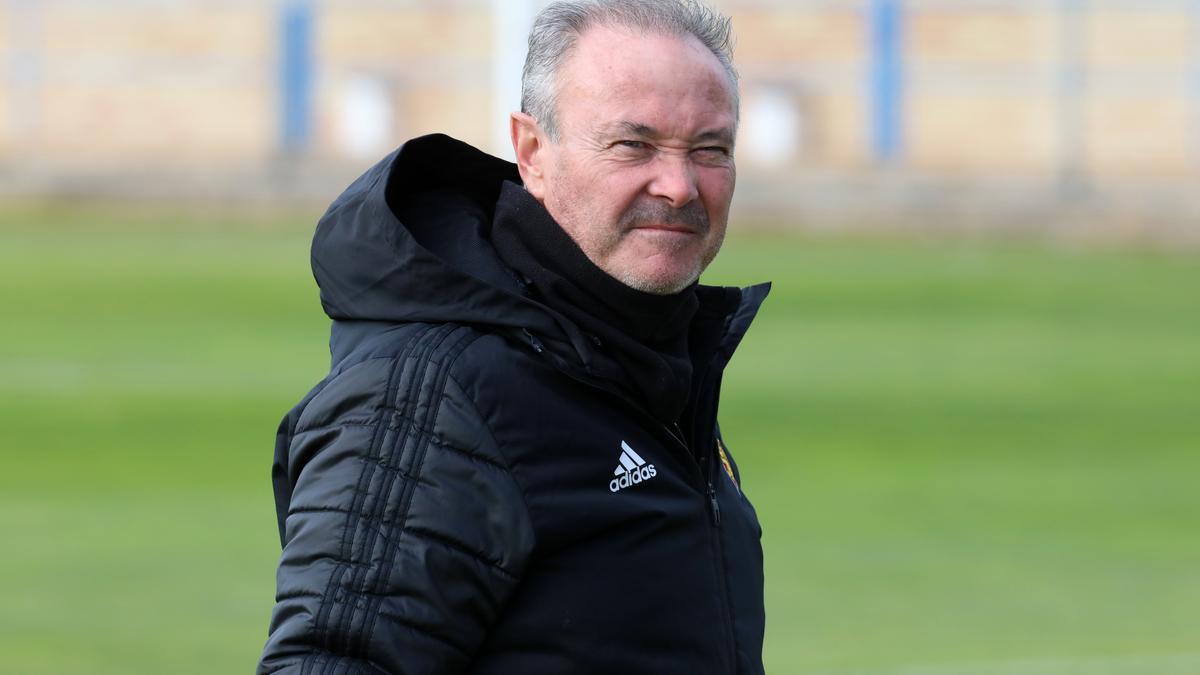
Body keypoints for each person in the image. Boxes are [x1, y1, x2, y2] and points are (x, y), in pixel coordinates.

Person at [258, 1, 769, 673]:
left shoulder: (650, 367)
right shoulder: (439, 396)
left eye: (710, 149)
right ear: (532, 152)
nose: (678, 186)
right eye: (632, 145)